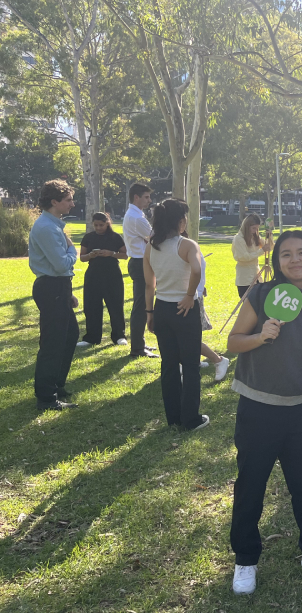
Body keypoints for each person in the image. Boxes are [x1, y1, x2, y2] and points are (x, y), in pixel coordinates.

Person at [227, 230, 302, 595]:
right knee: (251, 486)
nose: (295, 260)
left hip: (300, 409)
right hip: (257, 407)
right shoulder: (262, 294)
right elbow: (232, 342)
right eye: (286, 254)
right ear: (277, 261)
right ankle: (245, 559)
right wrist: (260, 335)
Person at [144, 199, 208, 431]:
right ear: (181, 221)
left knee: (169, 364)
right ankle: (190, 419)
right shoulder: (187, 245)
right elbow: (197, 270)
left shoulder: (151, 246)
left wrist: (149, 312)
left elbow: (149, 285)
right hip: (184, 309)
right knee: (190, 366)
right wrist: (190, 295)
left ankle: (173, 417)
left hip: (161, 307)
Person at [28, 180, 80, 411]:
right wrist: (72, 249)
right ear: (54, 201)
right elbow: (60, 264)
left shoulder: (54, 224)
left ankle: (56, 385)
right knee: (53, 342)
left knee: (70, 335)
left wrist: (67, 292)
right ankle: (46, 397)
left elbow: (59, 269)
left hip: (58, 287)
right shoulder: (47, 228)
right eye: (68, 200)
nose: (72, 204)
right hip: (51, 287)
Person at [77, 212, 128, 347]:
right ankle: (91, 337)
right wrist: (91, 255)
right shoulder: (88, 237)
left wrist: (111, 253)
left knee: (115, 305)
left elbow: (125, 255)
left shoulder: (115, 237)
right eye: (96, 225)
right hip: (93, 275)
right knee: (91, 306)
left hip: (112, 275)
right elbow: (82, 257)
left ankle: (119, 335)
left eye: (101, 225)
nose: (99, 228)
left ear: (107, 223)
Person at [123, 182, 158, 358]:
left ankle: (139, 343)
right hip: (140, 263)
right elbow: (155, 237)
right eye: (146, 197)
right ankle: (137, 347)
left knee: (143, 304)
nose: (149, 200)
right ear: (136, 197)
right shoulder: (136, 218)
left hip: (140, 262)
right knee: (141, 306)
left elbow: (148, 238)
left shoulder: (136, 215)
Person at [196, 252, 231, 382]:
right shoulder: (185, 246)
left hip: (191, 297)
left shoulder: (189, 247)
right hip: (187, 296)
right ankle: (192, 361)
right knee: (186, 336)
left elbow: (195, 273)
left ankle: (219, 360)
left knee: (189, 338)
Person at [233, 214, 272, 298]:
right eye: (253, 228)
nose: (255, 231)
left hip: (256, 277)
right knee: (247, 303)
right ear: (247, 226)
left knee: (259, 302)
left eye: (257, 228)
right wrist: (261, 251)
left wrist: (269, 236)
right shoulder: (238, 239)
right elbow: (244, 257)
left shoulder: (255, 237)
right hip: (245, 280)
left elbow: (269, 247)